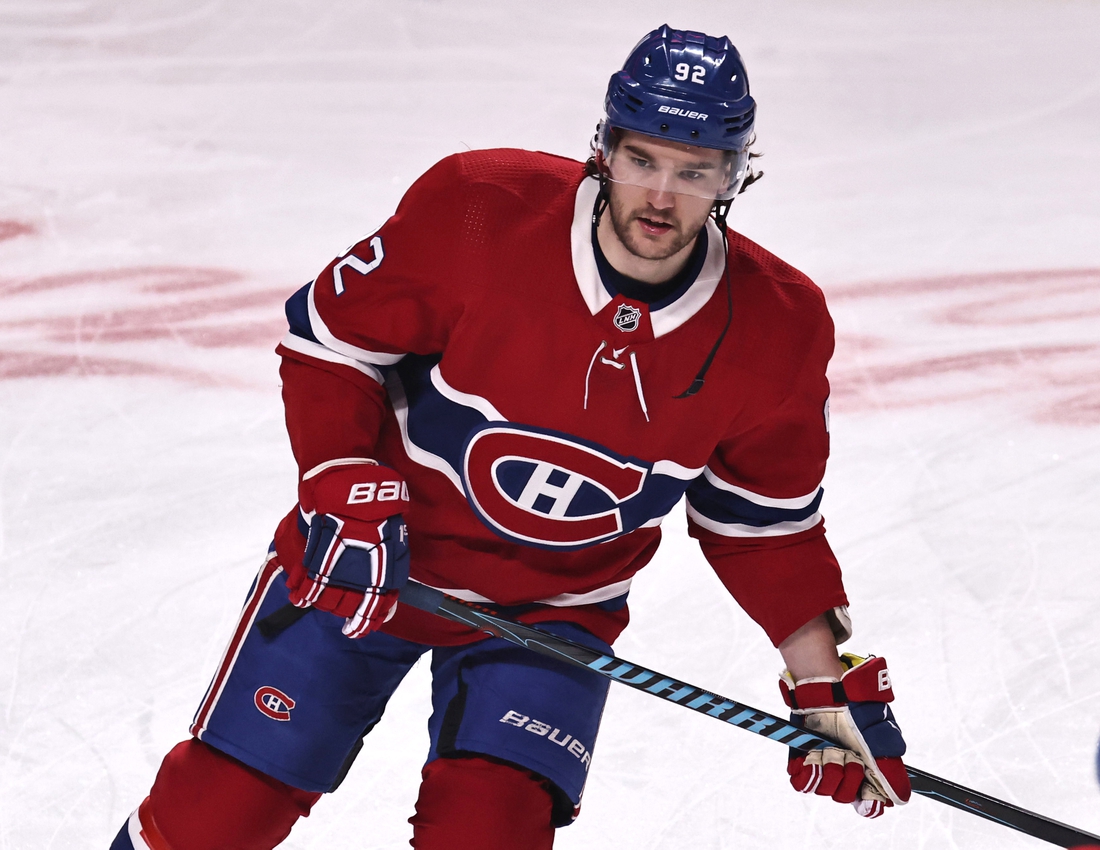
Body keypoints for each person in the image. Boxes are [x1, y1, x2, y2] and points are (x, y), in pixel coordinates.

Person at [110, 24, 911, 850]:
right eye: (644, 160)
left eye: (694, 171)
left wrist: (822, 680)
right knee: (216, 816)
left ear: (733, 177)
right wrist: (340, 472)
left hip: (555, 612)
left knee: (488, 834)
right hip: (376, 561)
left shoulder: (777, 328)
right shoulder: (479, 209)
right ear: (604, 149)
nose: (662, 197)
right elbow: (333, 342)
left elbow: (762, 525)